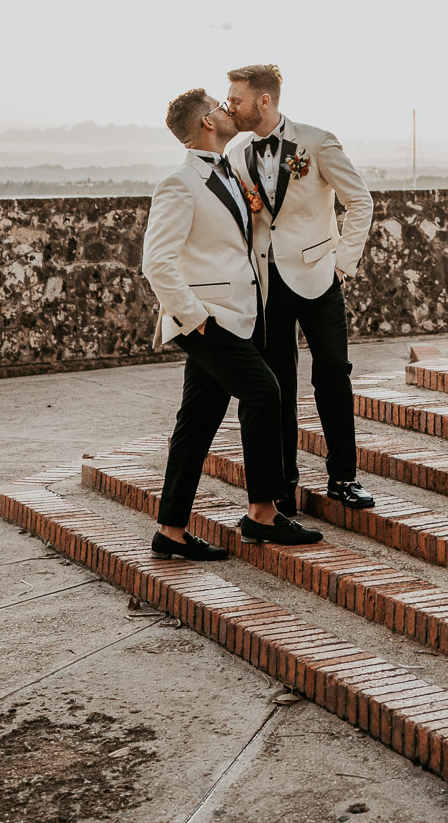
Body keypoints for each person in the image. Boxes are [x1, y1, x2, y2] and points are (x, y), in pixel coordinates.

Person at [141, 87, 323, 557]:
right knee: (264, 393)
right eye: (219, 107)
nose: (227, 111)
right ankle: (262, 514)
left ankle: (170, 531)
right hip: (209, 321)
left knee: (196, 423)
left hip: (239, 316)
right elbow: (156, 262)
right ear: (205, 122)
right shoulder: (179, 184)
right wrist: (196, 319)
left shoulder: (227, 170)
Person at [226, 64, 376, 514]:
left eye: (236, 98)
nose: (230, 105)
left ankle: (343, 477)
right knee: (278, 386)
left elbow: (360, 200)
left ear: (264, 101)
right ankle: (282, 487)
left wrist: (342, 264)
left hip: (319, 277)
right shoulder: (236, 151)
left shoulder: (316, 141)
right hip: (268, 285)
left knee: (333, 375)